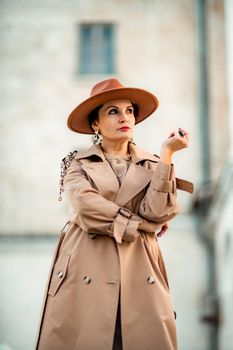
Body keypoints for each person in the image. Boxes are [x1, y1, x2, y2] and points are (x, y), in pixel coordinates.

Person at [36, 78, 193, 350]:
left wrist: (167, 154)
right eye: (113, 111)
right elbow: (87, 209)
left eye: (129, 111)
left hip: (140, 266)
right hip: (85, 265)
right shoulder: (77, 163)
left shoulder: (156, 163)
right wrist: (142, 225)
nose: (125, 117)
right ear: (95, 124)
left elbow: (159, 212)